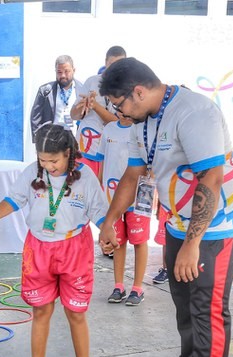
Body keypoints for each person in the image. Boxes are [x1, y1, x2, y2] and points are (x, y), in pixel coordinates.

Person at [98, 58, 233, 357]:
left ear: (139, 91)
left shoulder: (195, 113)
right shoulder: (142, 120)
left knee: (207, 310)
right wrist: (110, 221)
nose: (118, 113)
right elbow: (133, 174)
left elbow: (211, 178)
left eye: (119, 104)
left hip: (216, 227)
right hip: (178, 222)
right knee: (183, 305)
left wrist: (192, 244)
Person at [0, 124, 108, 357]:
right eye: (43, 160)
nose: (48, 166)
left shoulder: (85, 176)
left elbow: (99, 211)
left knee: (76, 313)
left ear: (68, 153)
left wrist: (107, 231)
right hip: (38, 249)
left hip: (74, 248)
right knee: (41, 311)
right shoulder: (32, 172)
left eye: (54, 161)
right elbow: (14, 199)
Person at [98, 113, 149, 306]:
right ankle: (118, 286)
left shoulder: (143, 129)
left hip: (140, 195)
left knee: (139, 240)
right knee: (116, 240)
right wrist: (100, 187)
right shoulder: (109, 129)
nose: (122, 109)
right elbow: (102, 161)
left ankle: (137, 287)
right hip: (112, 195)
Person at [70, 46, 126, 177]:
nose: (114, 69)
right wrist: (82, 106)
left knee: (104, 186)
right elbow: (73, 115)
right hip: (85, 148)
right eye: (111, 64)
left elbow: (118, 122)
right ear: (106, 62)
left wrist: (95, 106)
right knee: (81, 184)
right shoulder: (92, 81)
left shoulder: (127, 87)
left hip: (110, 150)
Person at [29, 55, 81, 141]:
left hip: (76, 140)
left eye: (66, 71)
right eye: (59, 72)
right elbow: (35, 118)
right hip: (52, 141)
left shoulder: (82, 90)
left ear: (74, 70)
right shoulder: (45, 91)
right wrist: (39, 142)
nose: (63, 75)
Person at [152, 201, 170, 285]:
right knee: (164, 238)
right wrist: (158, 208)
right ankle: (166, 269)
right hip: (166, 207)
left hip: (183, 207)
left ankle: (170, 269)